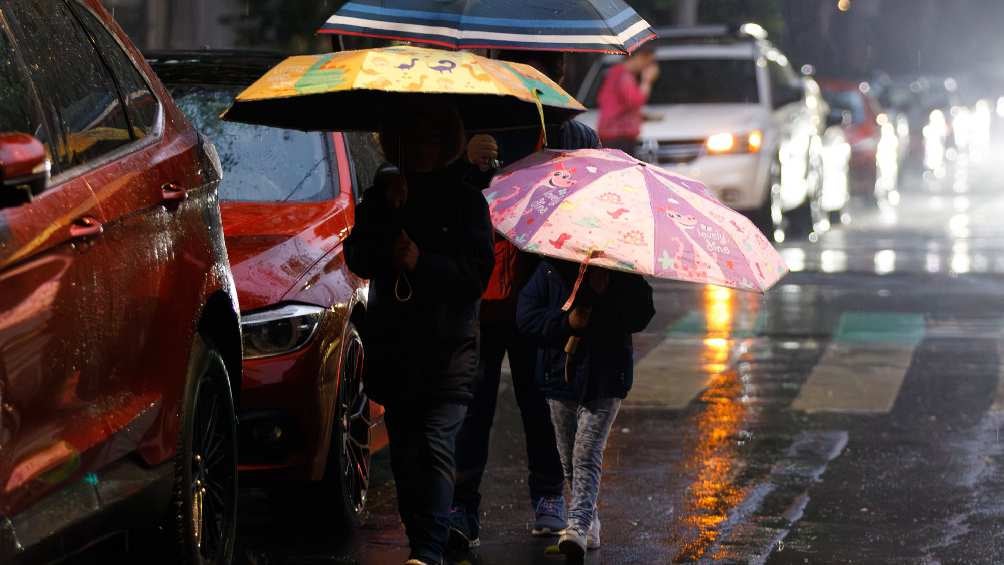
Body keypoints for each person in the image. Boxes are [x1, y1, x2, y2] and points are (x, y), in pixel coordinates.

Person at [449, 49, 601, 549]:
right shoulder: (474, 128)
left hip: (541, 295)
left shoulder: (573, 136)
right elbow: (451, 204)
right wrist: (468, 164)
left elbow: (588, 215)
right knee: (475, 403)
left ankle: (548, 497)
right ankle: (462, 507)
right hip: (483, 293)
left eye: (549, 73)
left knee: (543, 400)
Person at [344, 99, 495, 565]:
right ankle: (421, 542)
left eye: (433, 138)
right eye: (414, 139)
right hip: (396, 347)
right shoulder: (384, 195)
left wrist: (421, 263)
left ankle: (429, 550)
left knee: (433, 445)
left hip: (448, 348)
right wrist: (386, 220)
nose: (423, 149)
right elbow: (358, 259)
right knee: (407, 454)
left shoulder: (467, 200)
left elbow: (475, 277)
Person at [516, 260, 655, 563]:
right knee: (568, 460)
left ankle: (577, 525)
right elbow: (526, 318)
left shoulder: (622, 271)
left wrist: (605, 294)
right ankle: (590, 523)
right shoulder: (549, 270)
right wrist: (567, 323)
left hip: (604, 379)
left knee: (586, 453)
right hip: (559, 377)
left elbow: (642, 314)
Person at [596, 45, 660, 156]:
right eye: (649, 62)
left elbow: (622, 105)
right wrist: (647, 81)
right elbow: (635, 101)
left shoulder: (618, 73)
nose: (648, 66)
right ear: (640, 57)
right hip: (618, 137)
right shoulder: (623, 75)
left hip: (615, 135)